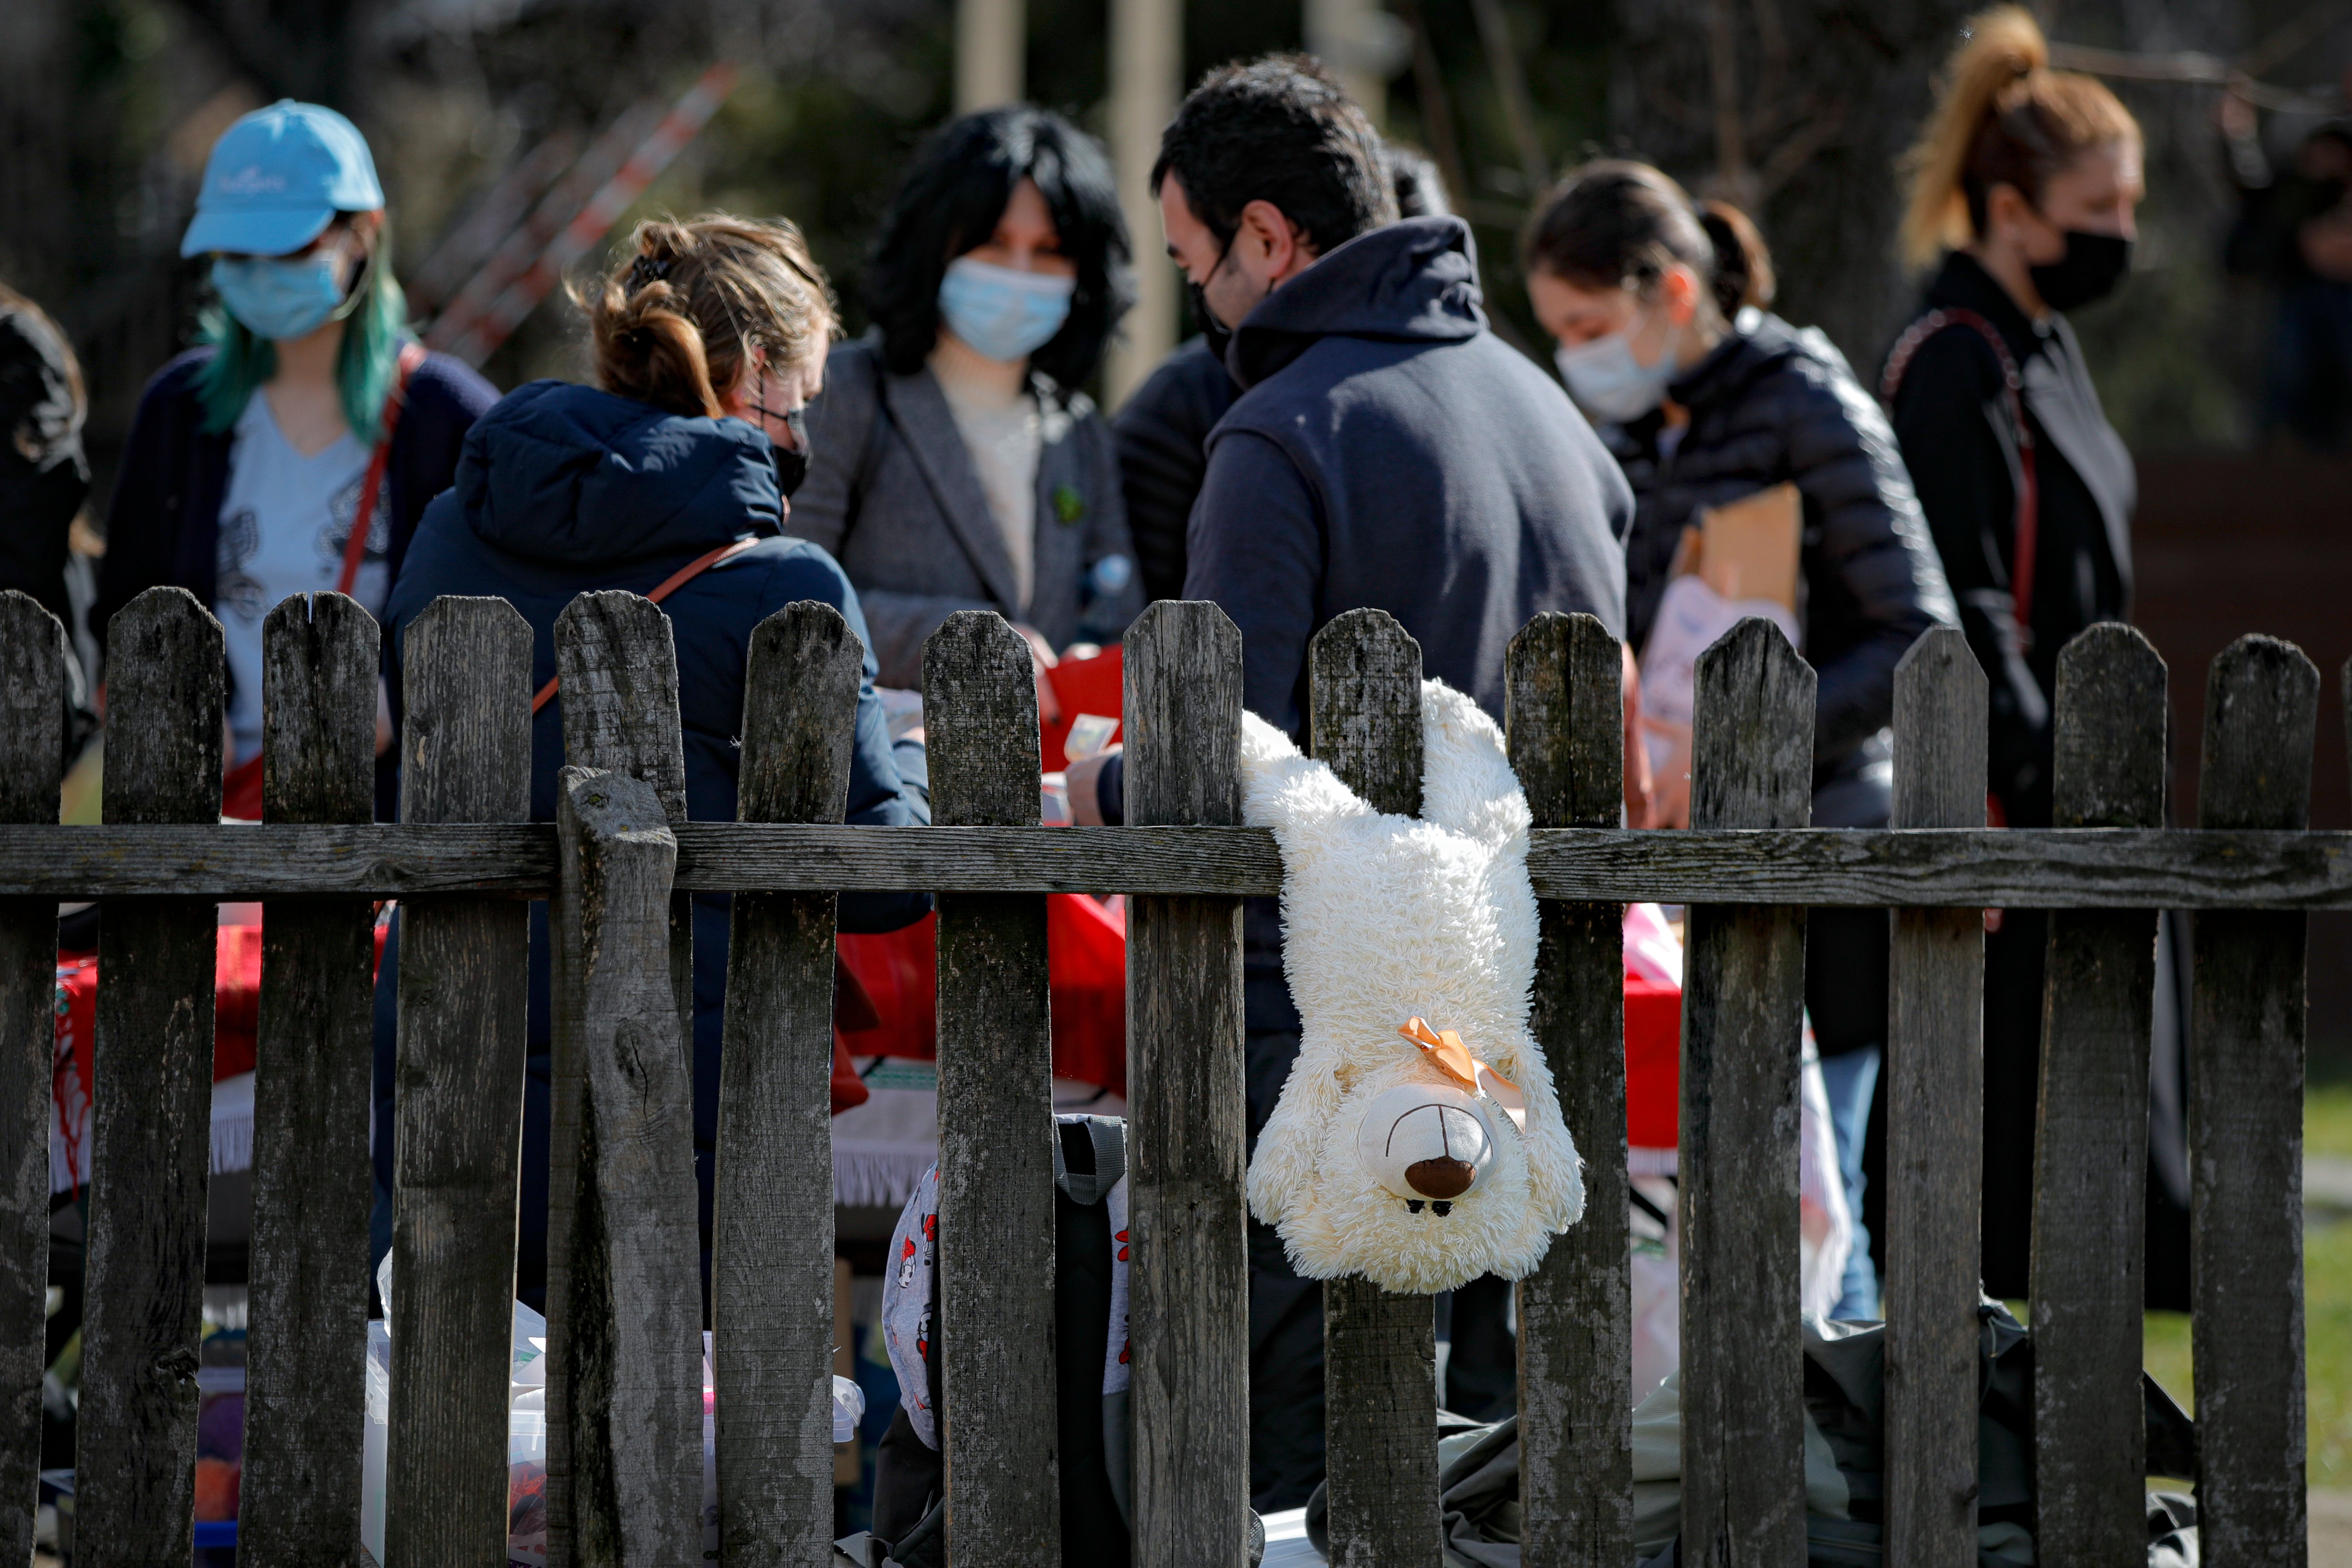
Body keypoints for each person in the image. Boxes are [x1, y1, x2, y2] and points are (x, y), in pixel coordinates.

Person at [1089, 55, 1629, 1509]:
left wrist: (1102, 780)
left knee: (1312, 1461)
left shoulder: (1281, 431)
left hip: (1323, 1036)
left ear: (1266, 240)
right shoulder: (1552, 418)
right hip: (1528, 1025)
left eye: (1198, 262)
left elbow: (1222, 749)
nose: (1201, 301)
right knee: (1487, 1469)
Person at [377, 216, 933, 1309]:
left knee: (466, 1436)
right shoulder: (785, 587)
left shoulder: (449, 529)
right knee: (675, 1447)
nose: (804, 428)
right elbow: (885, 875)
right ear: (757, 373)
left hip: (447, 1066)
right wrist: (909, 759)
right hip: (681, 1097)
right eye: (805, 398)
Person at [1522, 159, 1955, 1318]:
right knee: (1723, 1185)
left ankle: (1845, 1465)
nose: (1576, 356)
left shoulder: (1806, 399)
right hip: (1683, 864)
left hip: (1829, 840)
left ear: (1672, 291)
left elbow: (1920, 634)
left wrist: (1751, 745)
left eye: (1591, 326)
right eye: (1557, 334)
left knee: (1827, 1187)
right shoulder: (1625, 428)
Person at [1883, 5, 2142, 1299]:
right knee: (2007, 1186)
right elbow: (1965, 605)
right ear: (2007, 207)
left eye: (2128, 201)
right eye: (2096, 204)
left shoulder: (2051, 348)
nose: (2121, 232)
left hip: (2082, 819)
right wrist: (2049, 782)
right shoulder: (1955, 367)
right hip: (2017, 823)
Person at [99, 100, 496, 814]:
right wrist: (168, 706)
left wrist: (404, 702)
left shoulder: (449, 417)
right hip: (205, 830)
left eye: (286, 248)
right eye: (236, 253)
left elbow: (510, 622)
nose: (258, 272)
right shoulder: (177, 409)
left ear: (364, 233)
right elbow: (120, 608)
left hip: (391, 833)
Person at [791, 106, 1142, 701]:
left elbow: (1114, 608)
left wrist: (1087, 660)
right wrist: (962, 643)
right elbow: (790, 594)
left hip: (1044, 779)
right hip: (880, 769)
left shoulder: (1076, 428)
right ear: (934, 242)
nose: (1020, 272)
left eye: (1050, 250)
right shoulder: (844, 391)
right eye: (995, 243)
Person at [1113, 141, 1453, 604]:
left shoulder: (1473, 401)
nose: (1425, 304)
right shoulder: (1187, 404)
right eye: (1404, 275)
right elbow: (1138, 619)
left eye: (1443, 277)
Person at [2220, 79, 2352, 449]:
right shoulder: (2290, 193)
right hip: (2299, 297)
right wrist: (2235, 135)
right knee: (2289, 377)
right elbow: (2250, 185)